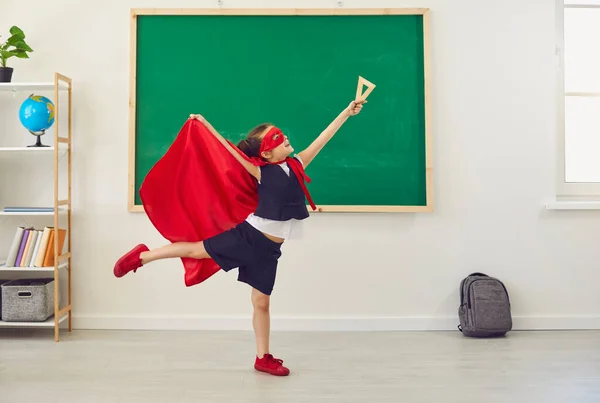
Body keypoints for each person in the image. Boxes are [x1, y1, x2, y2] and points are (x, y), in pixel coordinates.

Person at [113, 99, 365, 376]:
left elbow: (323, 138)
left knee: (262, 302)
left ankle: (263, 358)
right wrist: (204, 125)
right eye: (278, 139)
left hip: (269, 250)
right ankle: (143, 256)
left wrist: (346, 112)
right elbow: (226, 151)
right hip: (250, 237)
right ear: (267, 154)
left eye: (283, 136)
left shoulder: (297, 165)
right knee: (197, 251)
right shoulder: (260, 172)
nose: (286, 139)